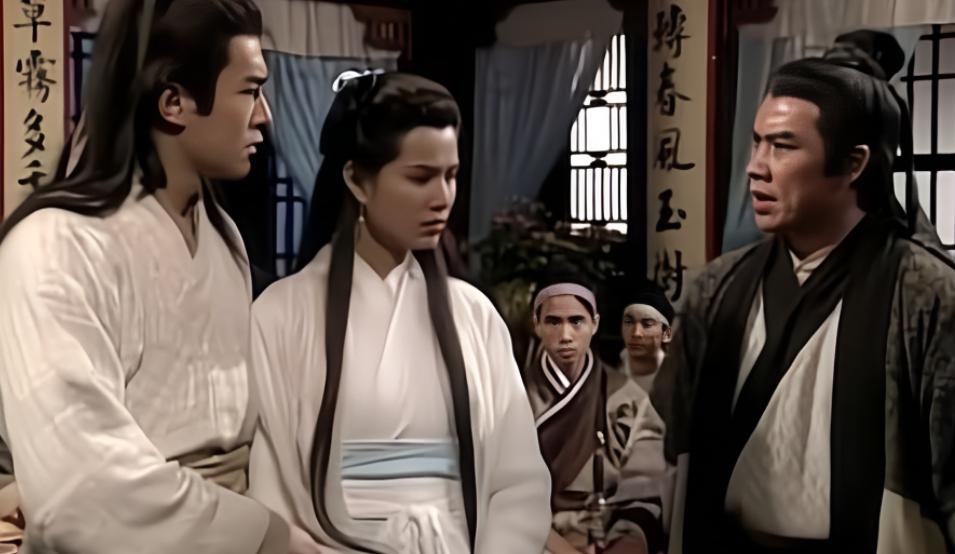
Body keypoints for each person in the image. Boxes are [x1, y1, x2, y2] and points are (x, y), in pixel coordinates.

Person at [0, 0, 320, 552]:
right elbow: (85, 484)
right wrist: (267, 535)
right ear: (174, 102)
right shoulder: (55, 243)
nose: (265, 116)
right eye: (249, 91)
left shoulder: (222, 237)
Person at [653, 30, 955, 553]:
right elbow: (668, 439)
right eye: (757, 142)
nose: (756, 166)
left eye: (783, 146)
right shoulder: (718, 287)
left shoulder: (925, 295)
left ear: (855, 163)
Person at [247, 70, 551, 553]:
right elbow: (272, 489)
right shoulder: (281, 315)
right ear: (357, 180)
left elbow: (518, 482)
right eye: (420, 177)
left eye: (451, 176)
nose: (443, 198)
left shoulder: (473, 314)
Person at [525, 272, 667, 554]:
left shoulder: (627, 399)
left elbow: (645, 495)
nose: (566, 336)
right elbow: (501, 494)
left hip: (607, 539)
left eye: (576, 321)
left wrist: (625, 545)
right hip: (532, 541)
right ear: (537, 325)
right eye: (553, 321)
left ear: (595, 324)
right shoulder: (510, 398)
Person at [616, 283, 674, 395]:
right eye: (629, 322)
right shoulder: (606, 370)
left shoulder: (677, 377)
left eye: (647, 324)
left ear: (666, 334)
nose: (636, 333)